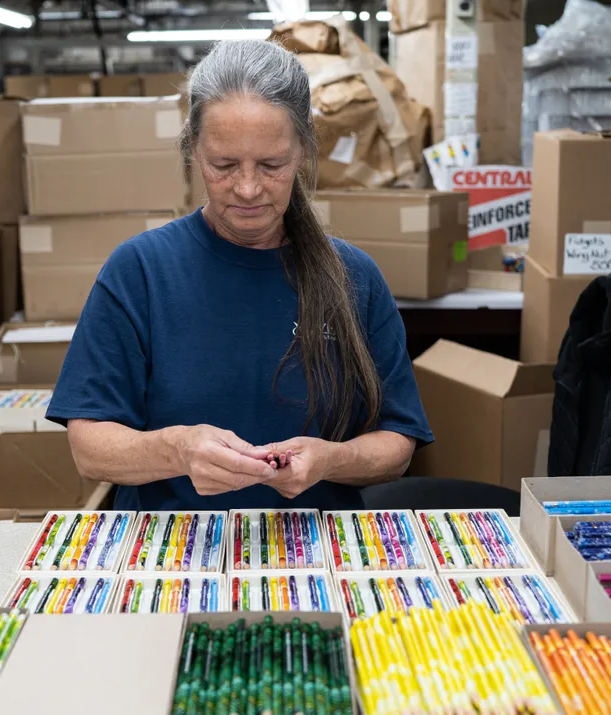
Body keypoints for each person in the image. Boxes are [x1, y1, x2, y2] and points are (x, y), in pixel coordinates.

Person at [47, 39, 432, 511]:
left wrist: (332, 460)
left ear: (304, 148)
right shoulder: (139, 272)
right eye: (223, 165)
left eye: (272, 165)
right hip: (174, 555)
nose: (248, 189)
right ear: (192, 148)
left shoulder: (354, 278)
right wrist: (177, 451)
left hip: (314, 555)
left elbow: (398, 442)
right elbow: (89, 447)